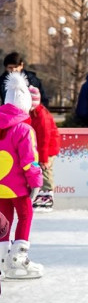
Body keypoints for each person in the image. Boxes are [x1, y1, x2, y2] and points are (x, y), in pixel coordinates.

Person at [0, 72, 43, 280]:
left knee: (3, 220)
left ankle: (0, 261)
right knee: (25, 215)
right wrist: (36, 183)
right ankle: (18, 258)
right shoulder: (24, 129)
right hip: (18, 186)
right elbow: (29, 161)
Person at [28, 86, 61, 213]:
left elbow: (44, 139)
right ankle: (40, 194)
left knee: (45, 171)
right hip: (39, 149)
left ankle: (47, 195)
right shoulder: (32, 113)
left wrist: (44, 159)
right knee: (37, 171)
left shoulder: (41, 115)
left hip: (48, 149)